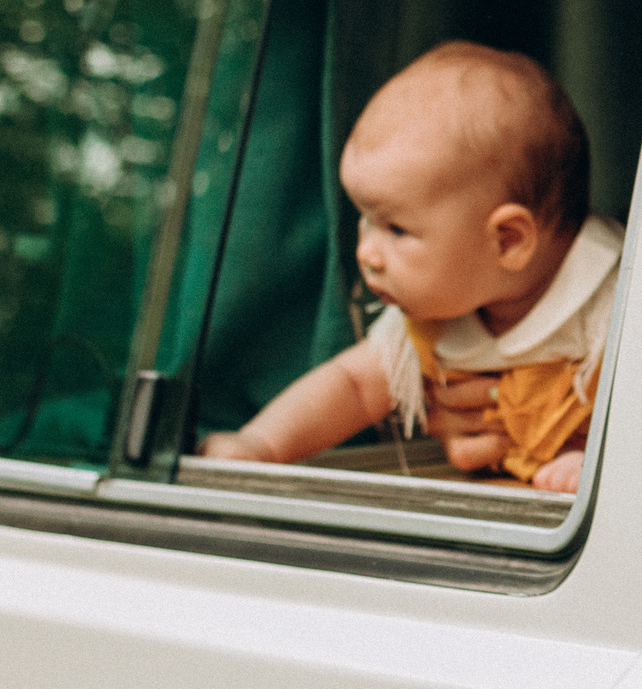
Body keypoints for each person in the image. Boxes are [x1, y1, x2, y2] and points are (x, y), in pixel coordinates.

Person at [201, 41, 619, 495]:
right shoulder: (436, 310)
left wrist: (603, 457)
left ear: (508, 240)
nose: (366, 253)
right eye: (365, 219)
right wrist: (260, 445)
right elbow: (353, 385)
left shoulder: (615, 301)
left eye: (396, 229)